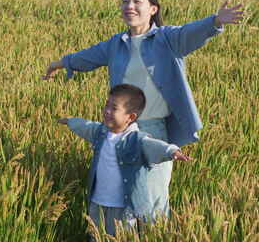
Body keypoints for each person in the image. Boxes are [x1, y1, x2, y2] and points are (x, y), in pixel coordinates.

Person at [44, 0, 244, 221]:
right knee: (119, 201)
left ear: (153, 9)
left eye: (137, 1)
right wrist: (59, 64)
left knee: (150, 203)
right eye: (125, 0)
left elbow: (190, 33)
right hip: (121, 133)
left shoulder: (168, 39)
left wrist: (215, 21)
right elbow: (87, 57)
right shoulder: (116, 44)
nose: (130, 5)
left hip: (154, 131)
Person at [58, 84, 191, 238]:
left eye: (114, 108)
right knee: (95, 236)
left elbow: (154, 146)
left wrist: (171, 151)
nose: (107, 111)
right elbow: (87, 126)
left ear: (131, 117)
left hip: (123, 208)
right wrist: (71, 121)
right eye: (106, 105)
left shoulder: (137, 140)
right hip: (98, 202)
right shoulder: (101, 133)